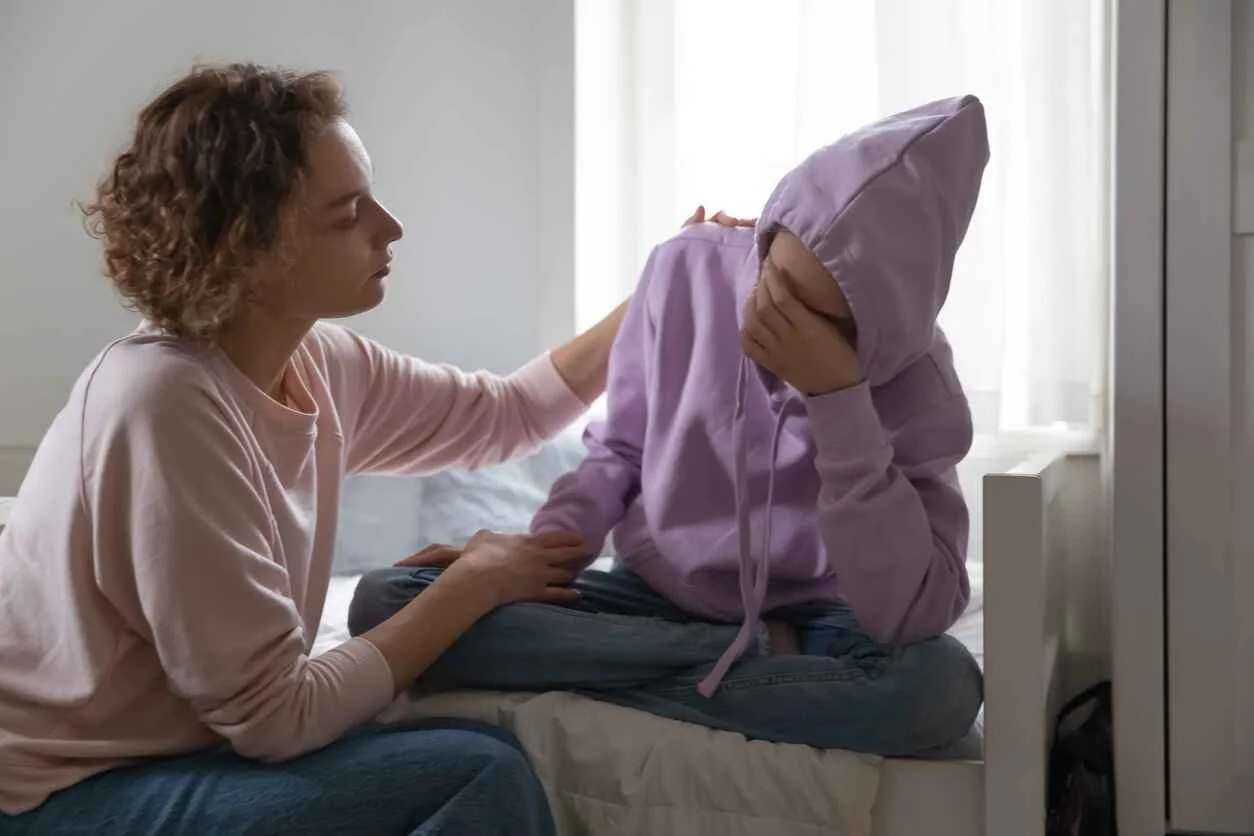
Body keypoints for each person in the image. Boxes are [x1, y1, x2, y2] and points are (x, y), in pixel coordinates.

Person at [0, 61, 744, 834]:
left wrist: (659, 286)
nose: (390, 227)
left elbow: (509, 414)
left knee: (459, 747)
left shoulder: (317, 361)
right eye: (348, 212)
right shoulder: (163, 407)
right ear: (248, 251)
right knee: (474, 772)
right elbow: (274, 719)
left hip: (187, 752)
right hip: (69, 793)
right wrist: (475, 584)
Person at [348, 95, 989, 758]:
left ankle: (613, 679)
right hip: (654, 596)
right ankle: (736, 660)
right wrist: (539, 556)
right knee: (387, 602)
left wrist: (839, 400)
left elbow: (910, 613)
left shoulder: (922, 388)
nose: (776, 317)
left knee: (936, 686)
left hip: (824, 615)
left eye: (817, 316)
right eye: (774, 280)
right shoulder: (687, 267)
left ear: (884, 329)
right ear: (766, 236)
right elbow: (618, 450)